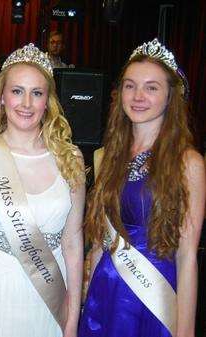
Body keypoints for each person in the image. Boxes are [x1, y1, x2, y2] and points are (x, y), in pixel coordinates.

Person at [0, 43, 86, 337]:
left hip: (50, 295)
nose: (26, 103)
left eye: (36, 93)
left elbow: (74, 242)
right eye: (17, 91)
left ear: (48, 100)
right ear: (1, 97)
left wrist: (73, 318)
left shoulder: (70, 158)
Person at [79, 38, 205, 337]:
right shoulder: (108, 155)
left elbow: (187, 257)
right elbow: (99, 241)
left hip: (155, 293)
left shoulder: (189, 163)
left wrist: (185, 330)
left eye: (151, 87)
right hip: (105, 291)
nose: (138, 96)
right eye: (130, 85)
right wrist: (86, 296)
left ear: (170, 97)